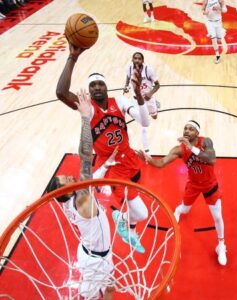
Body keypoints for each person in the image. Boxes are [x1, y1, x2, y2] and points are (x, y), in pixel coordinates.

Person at [56, 43, 150, 254]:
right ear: (89, 91)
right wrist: (72, 58)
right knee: (138, 211)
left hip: (130, 160)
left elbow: (145, 122)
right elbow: (61, 92)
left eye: (100, 84)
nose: (97, 87)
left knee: (137, 212)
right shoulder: (87, 108)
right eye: (93, 85)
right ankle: (120, 216)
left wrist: (139, 96)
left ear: (106, 87)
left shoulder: (121, 102)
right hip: (111, 165)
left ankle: (128, 224)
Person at [46, 90, 115, 299]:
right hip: (93, 261)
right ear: (65, 192)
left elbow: (91, 177)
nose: (71, 177)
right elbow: (85, 156)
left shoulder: (71, 199)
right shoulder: (82, 199)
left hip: (98, 252)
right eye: (67, 180)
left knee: (111, 288)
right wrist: (85, 118)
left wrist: (106, 165)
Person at [138, 120, 227, 266]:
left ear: (197, 133)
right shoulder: (179, 149)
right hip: (193, 185)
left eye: (191, 129)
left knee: (217, 217)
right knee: (185, 209)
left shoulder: (205, 141)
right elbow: (161, 163)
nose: (187, 131)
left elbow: (211, 159)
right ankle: (178, 211)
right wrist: (149, 160)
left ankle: (221, 246)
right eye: (185, 128)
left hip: (210, 184)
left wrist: (191, 147)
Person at [123, 52, 160, 155]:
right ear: (132, 60)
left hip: (148, 99)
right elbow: (127, 77)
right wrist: (126, 86)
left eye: (139, 59)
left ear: (142, 61)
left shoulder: (148, 70)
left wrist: (150, 93)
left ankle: (155, 105)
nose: (137, 60)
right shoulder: (129, 69)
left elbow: (157, 85)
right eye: (135, 58)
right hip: (136, 101)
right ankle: (147, 150)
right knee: (143, 126)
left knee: (155, 117)